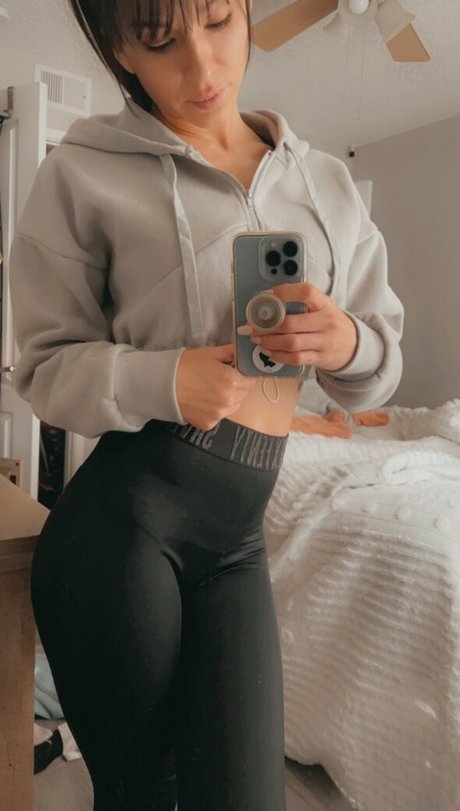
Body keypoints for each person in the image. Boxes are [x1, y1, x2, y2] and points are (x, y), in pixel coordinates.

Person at [8, 1, 404, 808]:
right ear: (120, 49)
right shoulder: (81, 172)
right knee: (143, 795)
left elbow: (380, 368)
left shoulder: (327, 183)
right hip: (122, 530)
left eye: (219, 21)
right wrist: (165, 378)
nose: (202, 65)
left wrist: (348, 344)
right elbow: (43, 369)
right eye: (160, 41)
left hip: (236, 542)